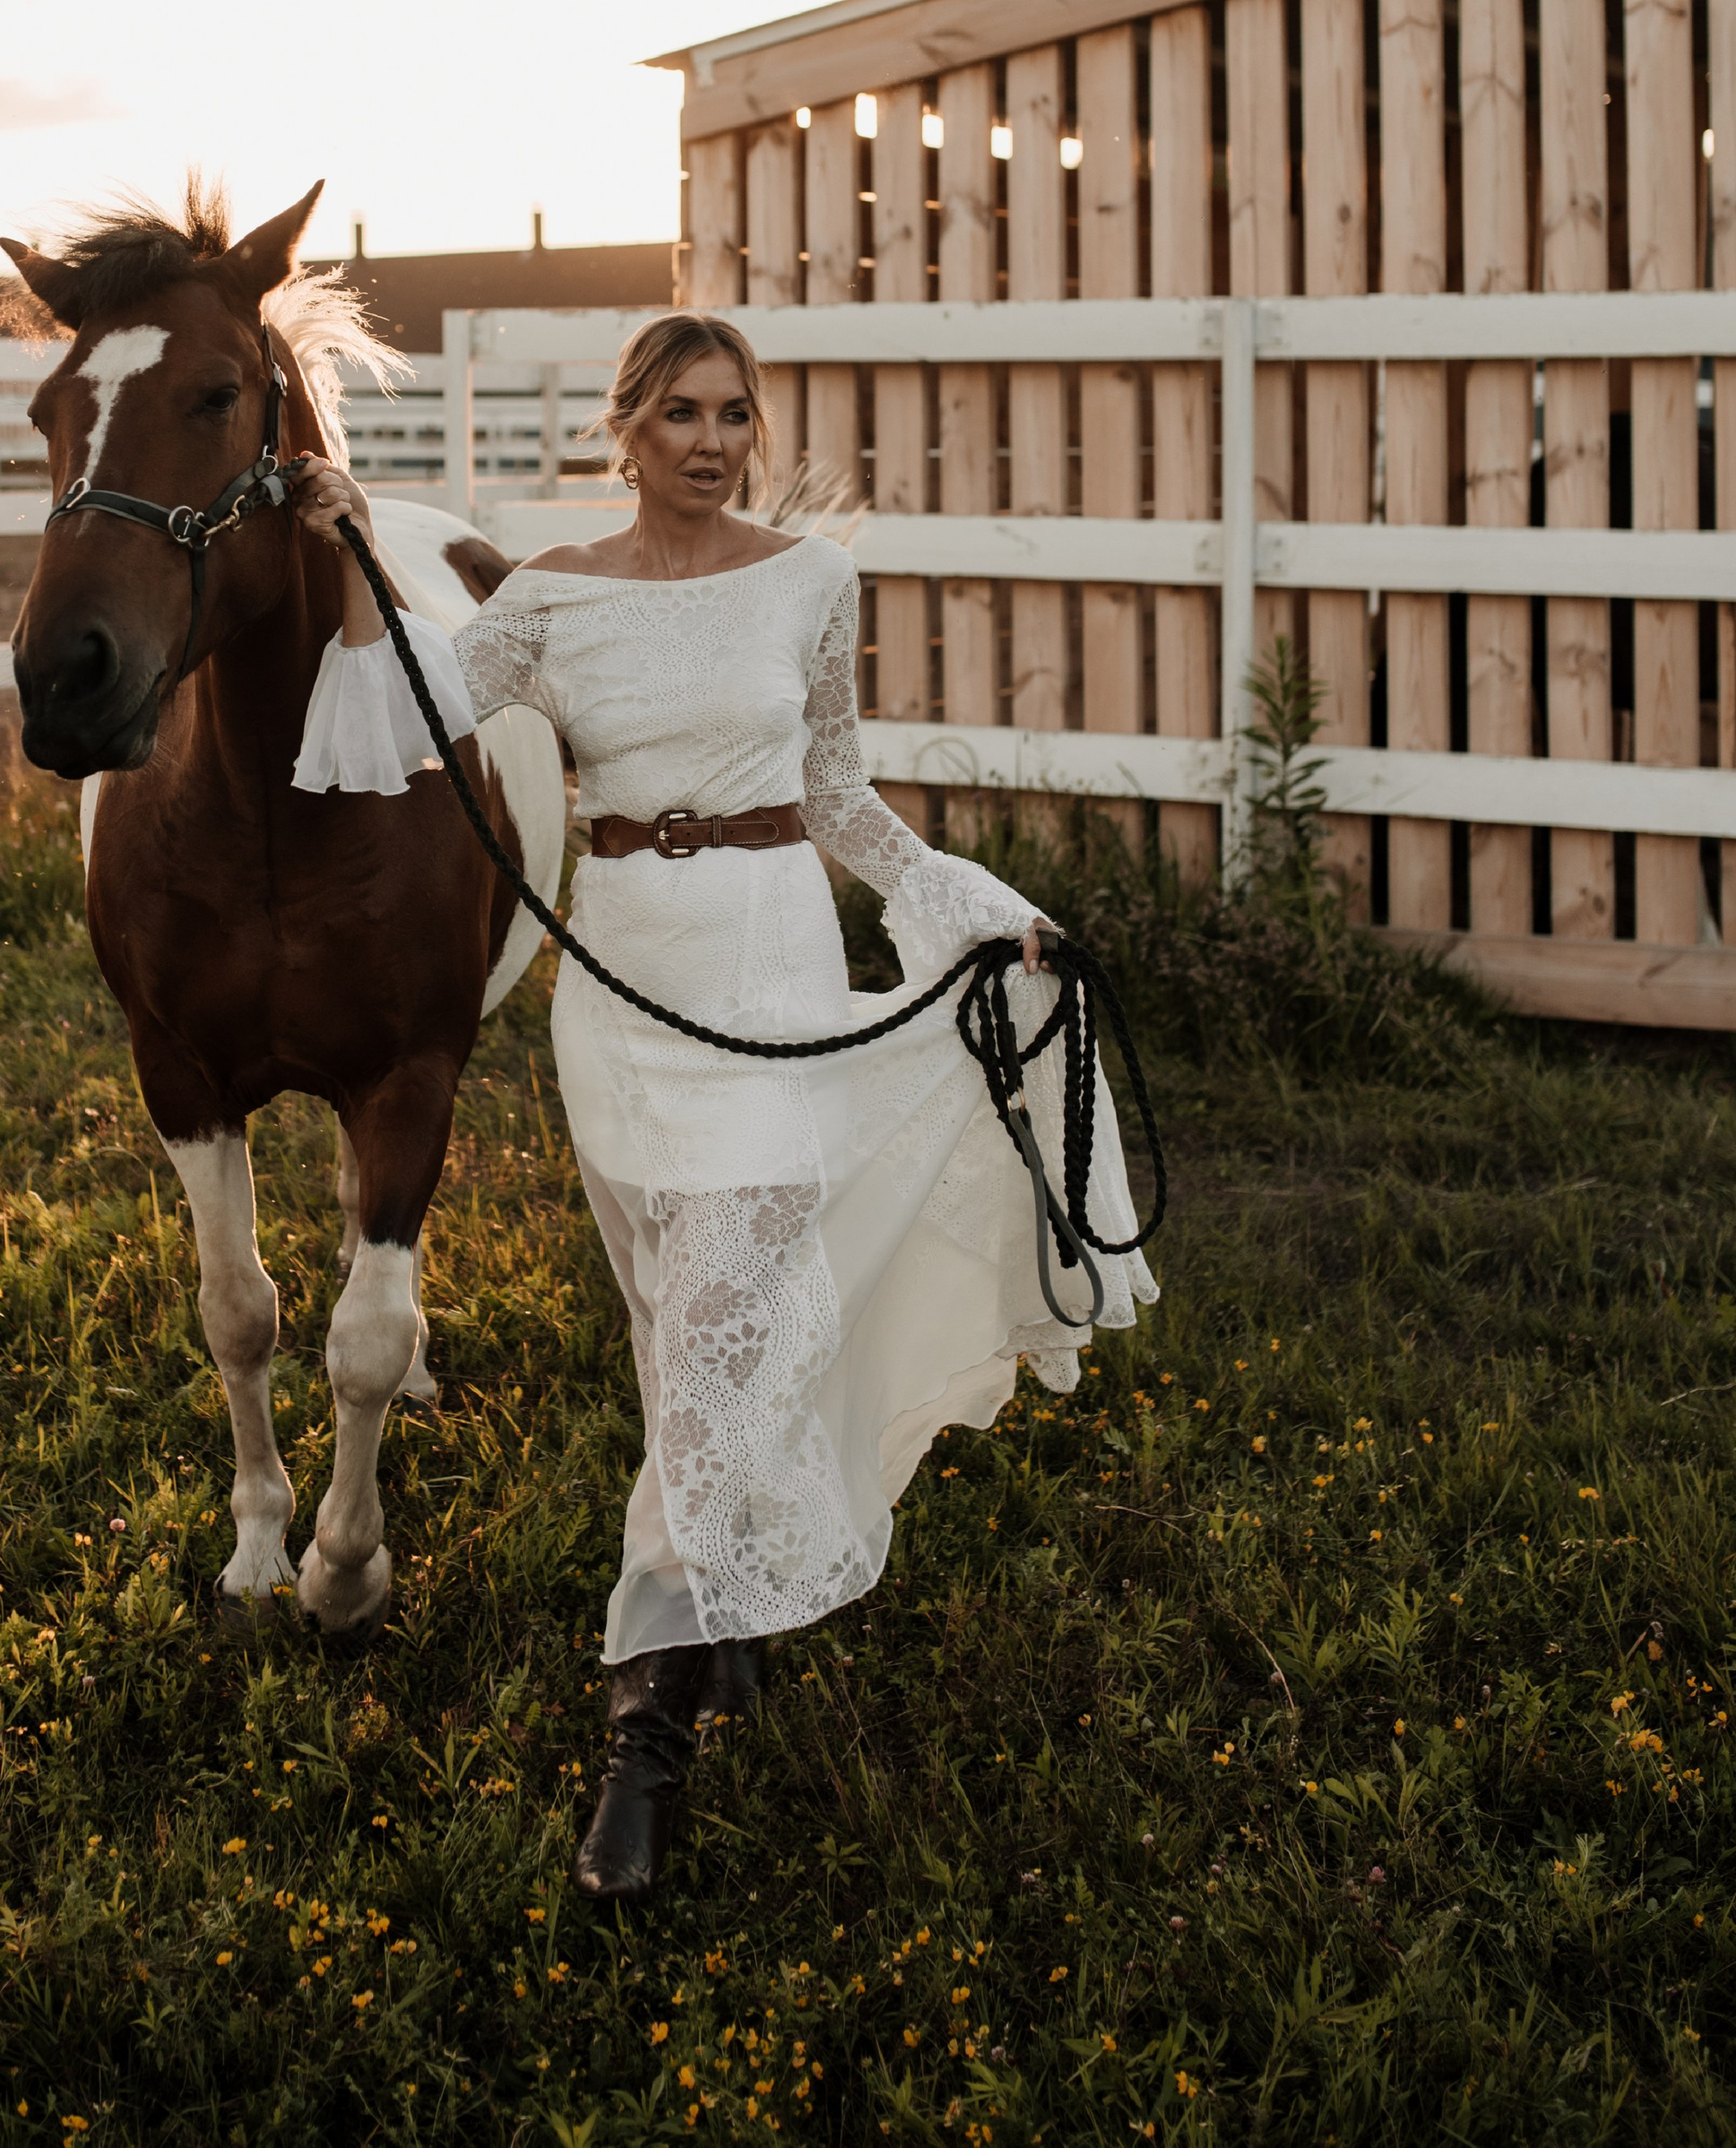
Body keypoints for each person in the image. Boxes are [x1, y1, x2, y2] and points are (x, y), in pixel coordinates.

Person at [291, 310, 1156, 1903]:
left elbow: (834, 790)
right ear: (627, 426)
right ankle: (731, 1589)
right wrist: (353, 551)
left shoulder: (808, 583)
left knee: (719, 1326)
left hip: (773, 963)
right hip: (624, 986)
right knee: (668, 1314)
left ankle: (643, 1738)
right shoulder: (547, 602)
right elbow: (377, 727)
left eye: (734, 414)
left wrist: (973, 909)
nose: (710, 439)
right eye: (680, 412)